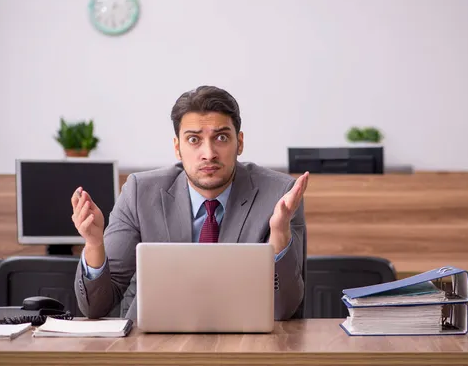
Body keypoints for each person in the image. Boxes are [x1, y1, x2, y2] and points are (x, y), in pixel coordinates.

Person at [71, 86, 309, 321]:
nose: (209, 153)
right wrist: (94, 243)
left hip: (245, 347)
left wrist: (278, 233)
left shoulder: (279, 195)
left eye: (222, 137)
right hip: (154, 348)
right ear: (177, 147)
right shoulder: (139, 193)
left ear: (240, 143)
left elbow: (284, 310)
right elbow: (96, 307)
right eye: (194, 139)